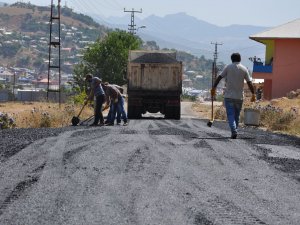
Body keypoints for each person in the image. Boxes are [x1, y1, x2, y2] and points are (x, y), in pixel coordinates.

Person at [211, 52, 256, 139]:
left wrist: (214, 88)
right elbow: (249, 82)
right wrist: (253, 94)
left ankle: (234, 130)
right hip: (239, 97)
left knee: (230, 115)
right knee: (237, 115)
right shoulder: (244, 69)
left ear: (232, 59)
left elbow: (219, 77)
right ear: (240, 59)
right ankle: (235, 130)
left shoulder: (228, 67)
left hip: (229, 96)